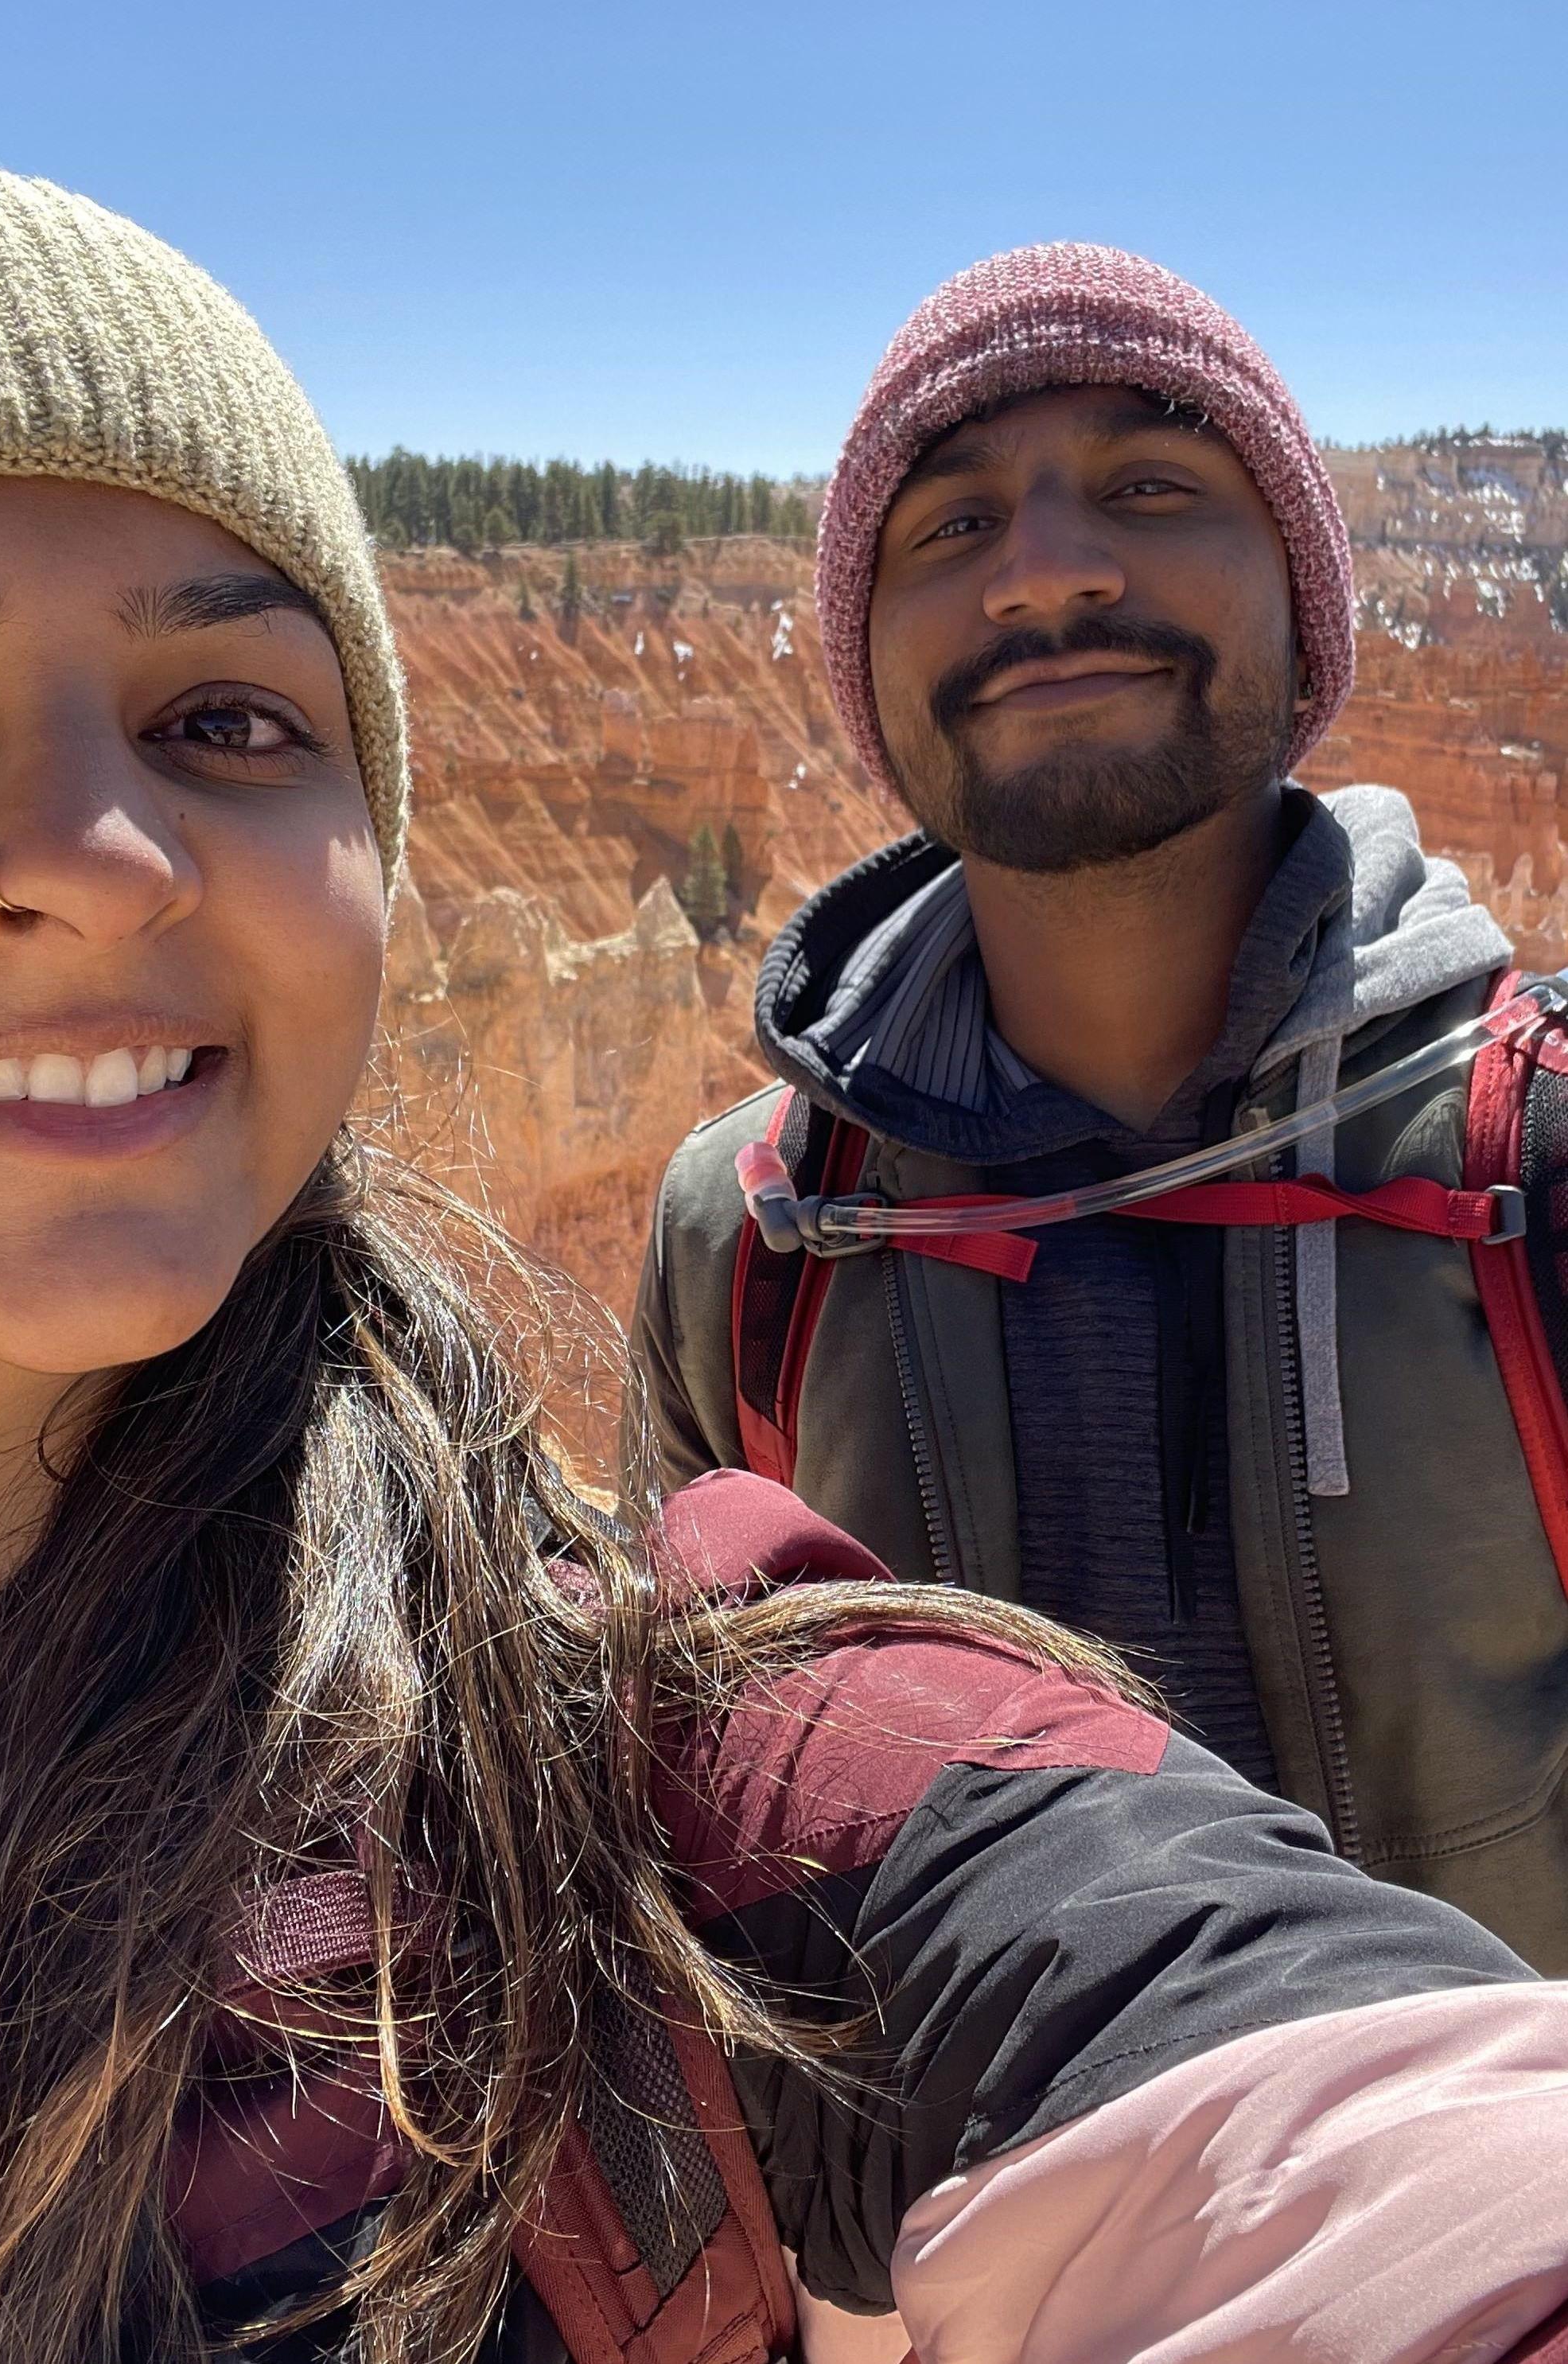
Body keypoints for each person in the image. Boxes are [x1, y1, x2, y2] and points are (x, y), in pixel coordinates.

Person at [0, 174, 1566, 2364]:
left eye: (228, 716)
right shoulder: (766, 1214)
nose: (100, 855)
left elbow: (1257, 2056)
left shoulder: (633, 1795)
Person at [632, 242, 1568, 1973]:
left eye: (1150, 483)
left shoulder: (1529, 1163)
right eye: (950, 525)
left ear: (1303, 613)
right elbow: (688, 1838)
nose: (1045, 572)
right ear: (864, 667)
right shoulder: (749, 1231)